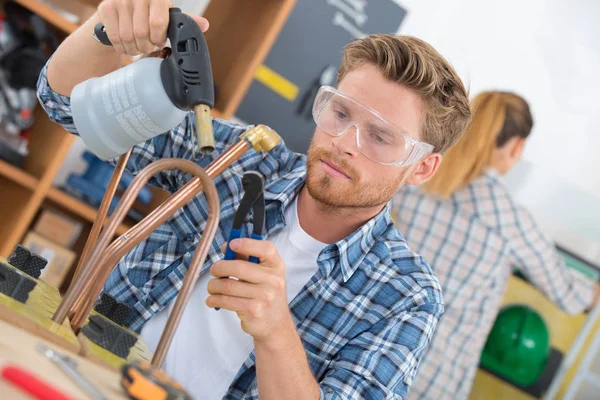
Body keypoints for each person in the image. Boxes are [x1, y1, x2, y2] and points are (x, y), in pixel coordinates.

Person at [37, 1, 472, 398]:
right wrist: (107, 25)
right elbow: (65, 102)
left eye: (379, 137)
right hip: (83, 377)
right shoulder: (244, 160)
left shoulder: (406, 296)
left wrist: (276, 332)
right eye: (340, 113)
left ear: (421, 168)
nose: (345, 143)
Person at [392, 91, 600, 400]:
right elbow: (570, 295)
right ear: (517, 147)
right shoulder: (508, 219)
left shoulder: (419, 177)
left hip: (372, 353)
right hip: (431, 381)